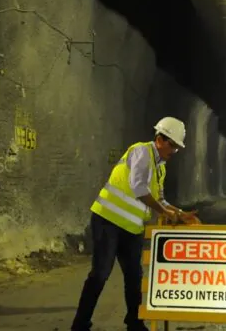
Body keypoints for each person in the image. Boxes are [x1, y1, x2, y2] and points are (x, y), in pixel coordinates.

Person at [71, 117, 200, 331]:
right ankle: (80, 325)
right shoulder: (141, 152)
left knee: (134, 276)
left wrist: (180, 213)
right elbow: (138, 187)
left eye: (177, 148)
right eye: (173, 146)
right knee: (100, 273)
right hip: (108, 221)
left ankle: (135, 323)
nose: (174, 151)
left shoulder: (161, 168)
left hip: (131, 228)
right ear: (160, 139)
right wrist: (165, 212)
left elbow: (159, 199)